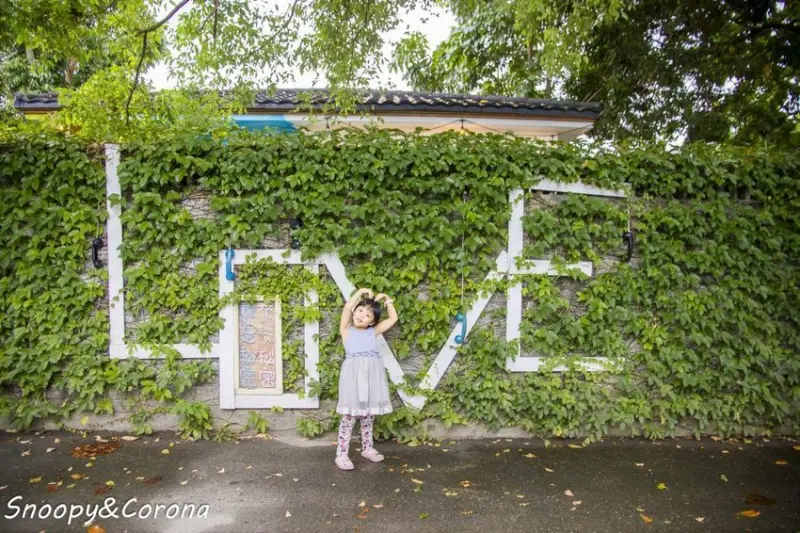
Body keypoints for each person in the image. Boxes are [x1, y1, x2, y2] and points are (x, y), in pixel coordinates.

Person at [335, 287, 397, 471]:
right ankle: (341, 454)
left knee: (368, 415)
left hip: (371, 378)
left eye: (368, 315)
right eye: (360, 310)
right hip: (352, 378)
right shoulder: (346, 330)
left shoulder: (372, 332)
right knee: (349, 416)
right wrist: (360, 292)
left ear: (373, 322)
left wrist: (388, 301)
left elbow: (393, 319)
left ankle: (367, 448)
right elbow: (347, 308)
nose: (362, 315)